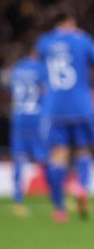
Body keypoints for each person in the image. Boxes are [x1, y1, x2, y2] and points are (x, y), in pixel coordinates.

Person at [35, 8, 94, 222]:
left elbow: (36, 68)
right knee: (84, 151)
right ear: (72, 21)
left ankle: (59, 209)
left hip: (54, 106)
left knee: (58, 155)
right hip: (81, 104)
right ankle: (81, 188)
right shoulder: (83, 40)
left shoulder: (44, 42)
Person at [7, 51, 48, 217]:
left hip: (18, 117)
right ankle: (57, 198)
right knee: (46, 158)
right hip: (36, 118)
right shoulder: (41, 68)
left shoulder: (17, 68)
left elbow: (12, 90)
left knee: (19, 158)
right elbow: (46, 91)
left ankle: (17, 201)